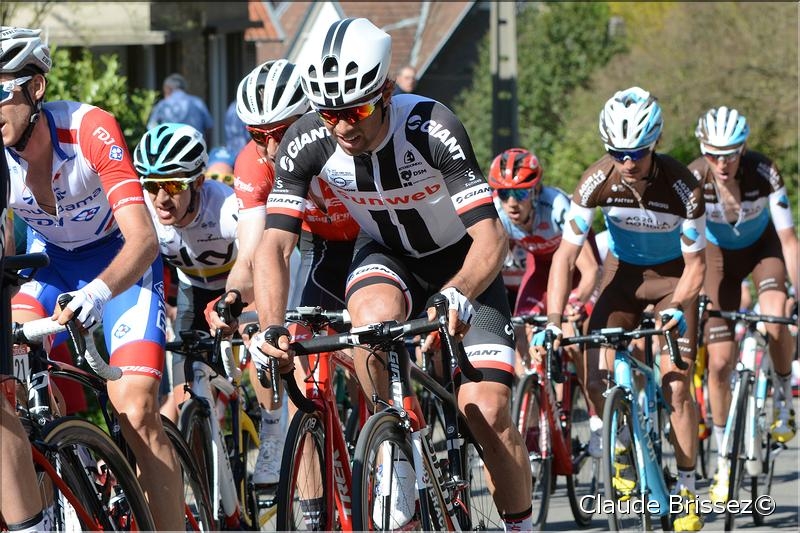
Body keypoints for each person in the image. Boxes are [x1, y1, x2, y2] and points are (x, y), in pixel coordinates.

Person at [250, 17, 534, 530]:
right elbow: (274, 243)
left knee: (487, 413)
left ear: (383, 91)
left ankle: (518, 522)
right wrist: (272, 326)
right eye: (330, 112)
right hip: (387, 254)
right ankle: (393, 452)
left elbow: (492, 237)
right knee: (368, 325)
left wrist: (457, 294)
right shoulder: (306, 140)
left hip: (463, 260)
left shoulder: (431, 126)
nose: (342, 127)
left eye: (356, 108)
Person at [1, 26, 183, 530]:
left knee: (136, 409)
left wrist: (99, 292)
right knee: (12, 373)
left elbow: (143, 238)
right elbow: (7, 253)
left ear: (35, 88)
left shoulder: (89, 129)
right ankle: (59, 479)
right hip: (51, 264)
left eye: (1, 91)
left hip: (120, 264)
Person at [535, 87, 707, 531]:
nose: (627, 163)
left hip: (674, 282)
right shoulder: (596, 180)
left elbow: (696, 266)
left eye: (637, 153)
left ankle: (687, 489)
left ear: (655, 144)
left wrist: (680, 309)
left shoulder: (685, 188)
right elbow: (564, 258)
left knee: (676, 385)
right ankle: (623, 446)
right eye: (617, 153)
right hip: (623, 278)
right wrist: (554, 323)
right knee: (595, 375)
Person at [205, 58, 314, 487]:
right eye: (257, 136)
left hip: (343, 240)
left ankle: (398, 435)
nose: (270, 148)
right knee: (278, 347)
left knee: (373, 346)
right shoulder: (252, 162)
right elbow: (252, 250)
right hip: (292, 244)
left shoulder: (333, 142)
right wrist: (233, 297)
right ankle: (279, 432)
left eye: (280, 133)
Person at [688, 106, 798, 504]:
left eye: (731, 153)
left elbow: (787, 239)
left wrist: (797, 295)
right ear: (703, 150)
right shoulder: (694, 178)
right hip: (718, 258)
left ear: (744, 148)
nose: (722, 162)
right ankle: (722, 455)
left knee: (776, 317)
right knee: (718, 363)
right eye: (714, 153)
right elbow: (691, 249)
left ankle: (784, 393)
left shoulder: (765, 171)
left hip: (762, 250)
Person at [488, 146, 602, 435]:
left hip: (576, 271)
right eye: (504, 193)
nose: (512, 202)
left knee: (573, 339)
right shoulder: (499, 212)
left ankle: (596, 415)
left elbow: (590, 270)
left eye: (521, 193)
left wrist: (579, 301)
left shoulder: (558, 207)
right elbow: (493, 261)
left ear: (536, 192)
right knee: (520, 331)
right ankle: (537, 415)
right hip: (540, 271)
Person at [133, 123, 239, 421]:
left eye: (174, 186)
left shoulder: (225, 205)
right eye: (152, 185)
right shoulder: (145, 210)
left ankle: (273, 432)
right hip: (193, 289)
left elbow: (257, 263)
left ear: (198, 182)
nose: (161, 199)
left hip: (241, 286)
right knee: (184, 400)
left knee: (262, 350)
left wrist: (239, 305)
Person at [147, 72, 214, 143]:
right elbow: (209, 127)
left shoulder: (163, 104)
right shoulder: (197, 102)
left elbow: (151, 128)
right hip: (196, 149)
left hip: (170, 150)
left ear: (168, 89)